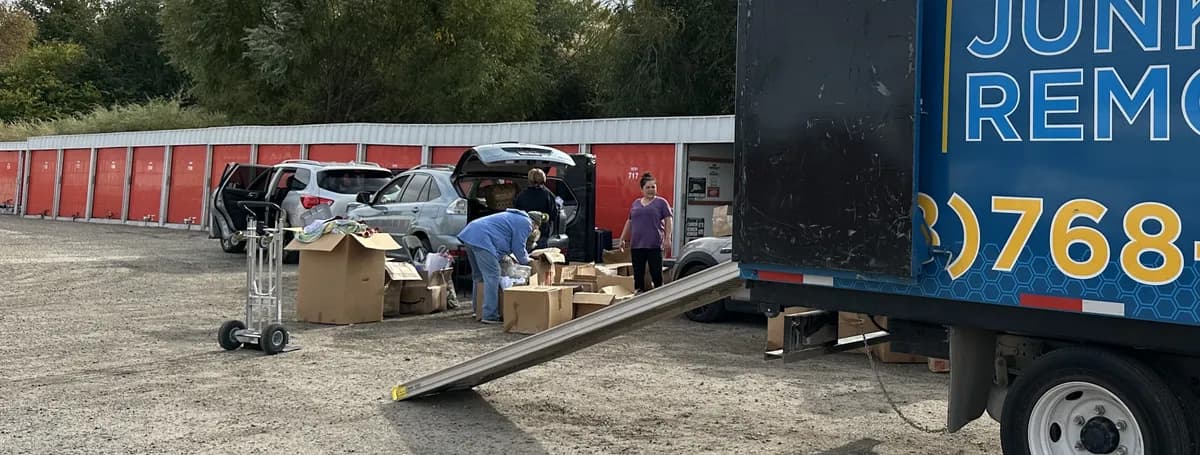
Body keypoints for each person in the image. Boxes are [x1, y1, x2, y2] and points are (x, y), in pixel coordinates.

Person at [458, 209, 549, 324]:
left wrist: (506, 257)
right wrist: (527, 261)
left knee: (479, 276)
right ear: (535, 225)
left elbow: (501, 242)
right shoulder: (526, 223)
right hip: (482, 239)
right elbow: (518, 247)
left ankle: (478, 311)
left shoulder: (512, 218)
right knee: (493, 276)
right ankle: (489, 315)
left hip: (471, 233)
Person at [618, 172, 674, 293]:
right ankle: (639, 300)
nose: (651, 190)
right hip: (637, 246)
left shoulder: (661, 203)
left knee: (656, 274)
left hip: (654, 245)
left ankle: (659, 298)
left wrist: (667, 238)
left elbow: (669, 220)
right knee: (638, 276)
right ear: (642, 189)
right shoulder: (636, 203)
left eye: (653, 187)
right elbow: (630, 221)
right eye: (648, 187)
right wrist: (622, 238)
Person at [513, 168, 559, 250]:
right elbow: (554, 214)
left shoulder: (521, 195)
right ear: (543, 178)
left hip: (524, 232)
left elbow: (515, 213)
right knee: (539, 258)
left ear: (529, 180)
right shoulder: (548, 195)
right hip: (542, 233)